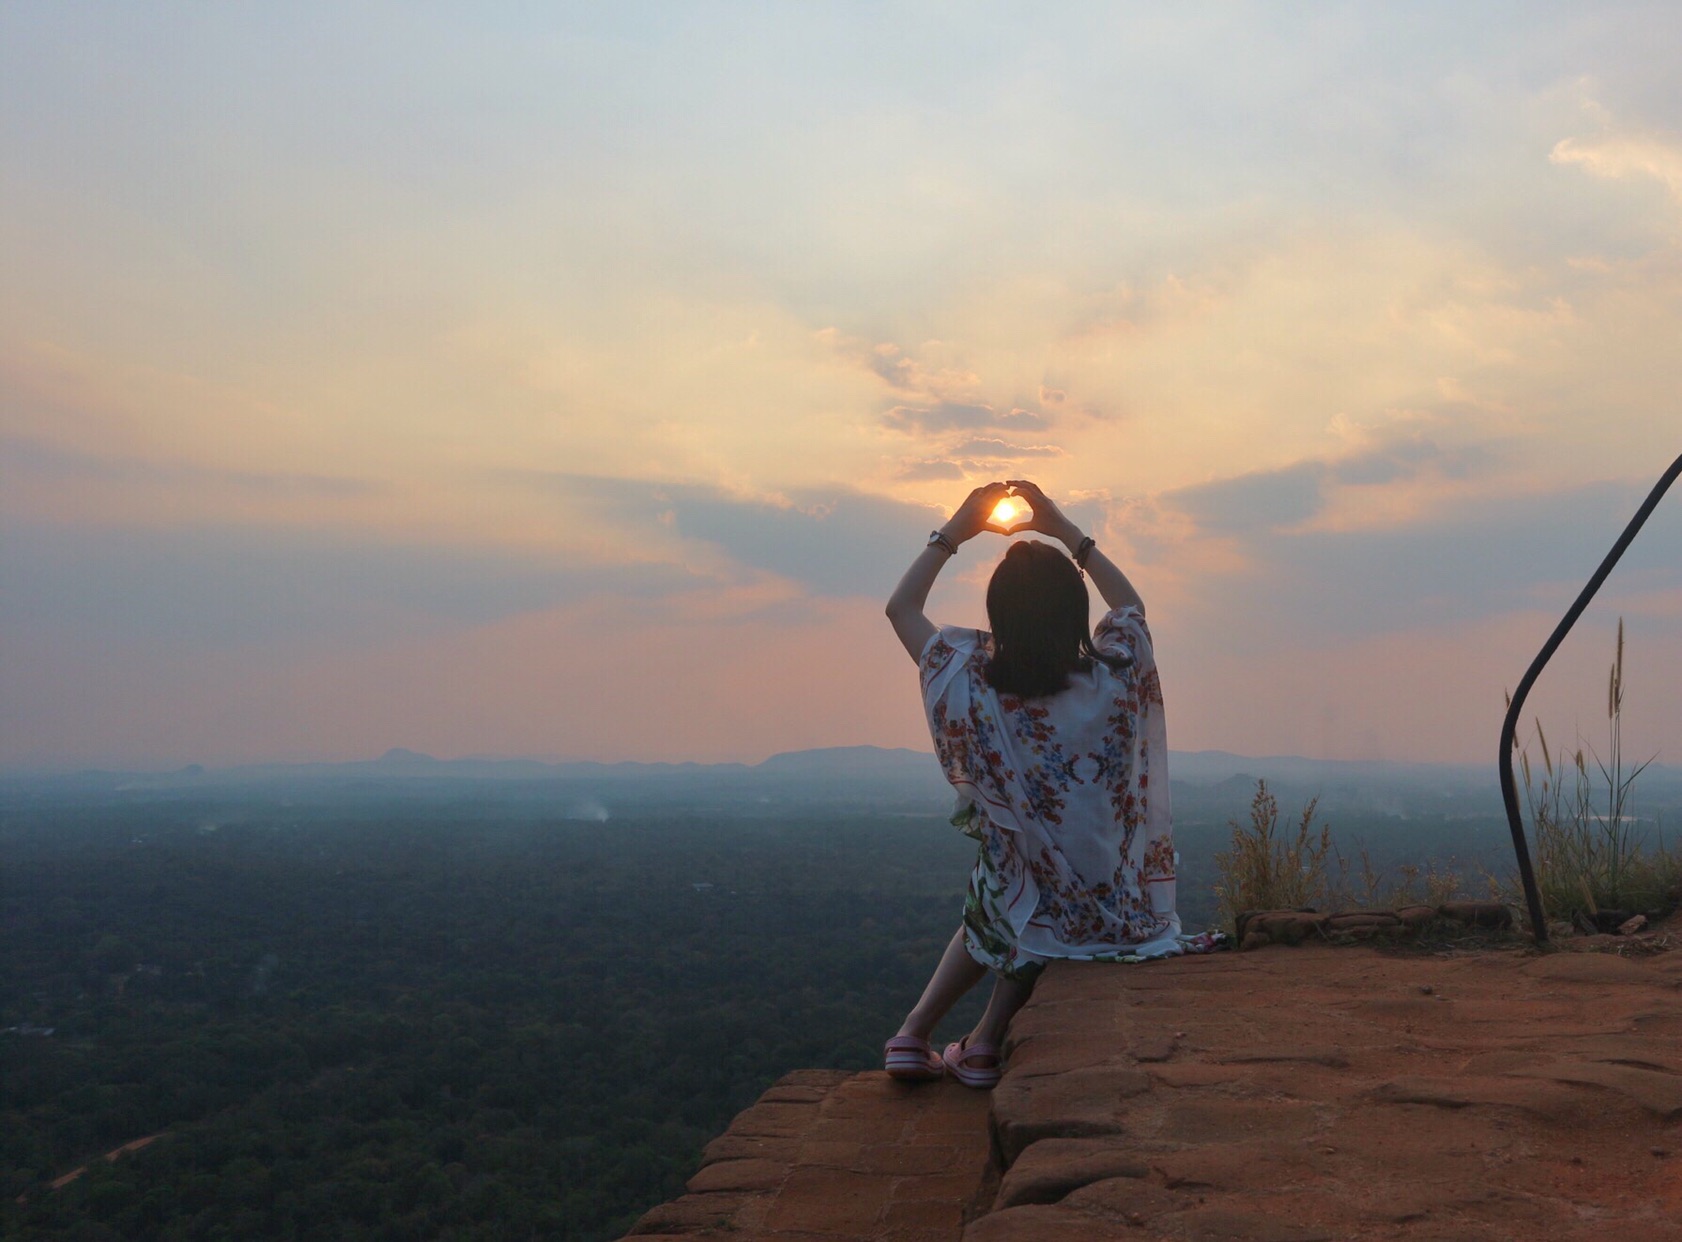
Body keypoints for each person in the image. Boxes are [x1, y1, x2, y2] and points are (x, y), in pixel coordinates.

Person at [881, 480, 1214, 1089]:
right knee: (1041, 883)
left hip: (1029, 886)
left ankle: (916, 1032)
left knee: (1011, 880)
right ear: (1075, 612)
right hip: (1107, 896)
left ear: (999, 613)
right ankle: (980, 1044)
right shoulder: (1114, 679)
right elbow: (1132, 610)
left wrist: (956, 528)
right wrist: (1064, 529)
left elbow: (900, 609)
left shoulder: (975, 682)